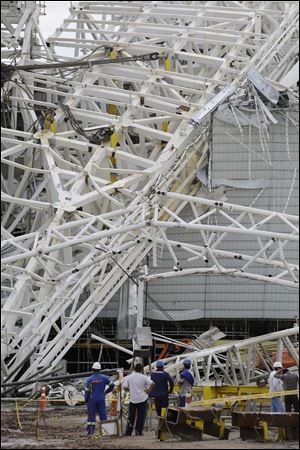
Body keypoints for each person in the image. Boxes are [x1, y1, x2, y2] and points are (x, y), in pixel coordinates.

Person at [123, 363, 154, 436]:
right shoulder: (144, 377)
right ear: (141, 369)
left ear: (134, 369)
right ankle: (138, 431)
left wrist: (131, 389)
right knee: (141, 417)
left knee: (131, 417)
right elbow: (153, 384)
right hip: (142, 399)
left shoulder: (129, 377)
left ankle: (128, 432)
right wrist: (148, 391)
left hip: (133, 399)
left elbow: (124, 387)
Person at [84, 362, 115, 435]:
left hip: (92, 400)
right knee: (103, 415)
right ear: (100, 369)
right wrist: (106, 392)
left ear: (92, 369)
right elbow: (112, 385)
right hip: (101, 399)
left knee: (91, 417)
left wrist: (86, 399)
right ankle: (105, 431)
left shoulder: (89, 379)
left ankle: (90, 431)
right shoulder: (104, 378)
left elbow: (87, 391)